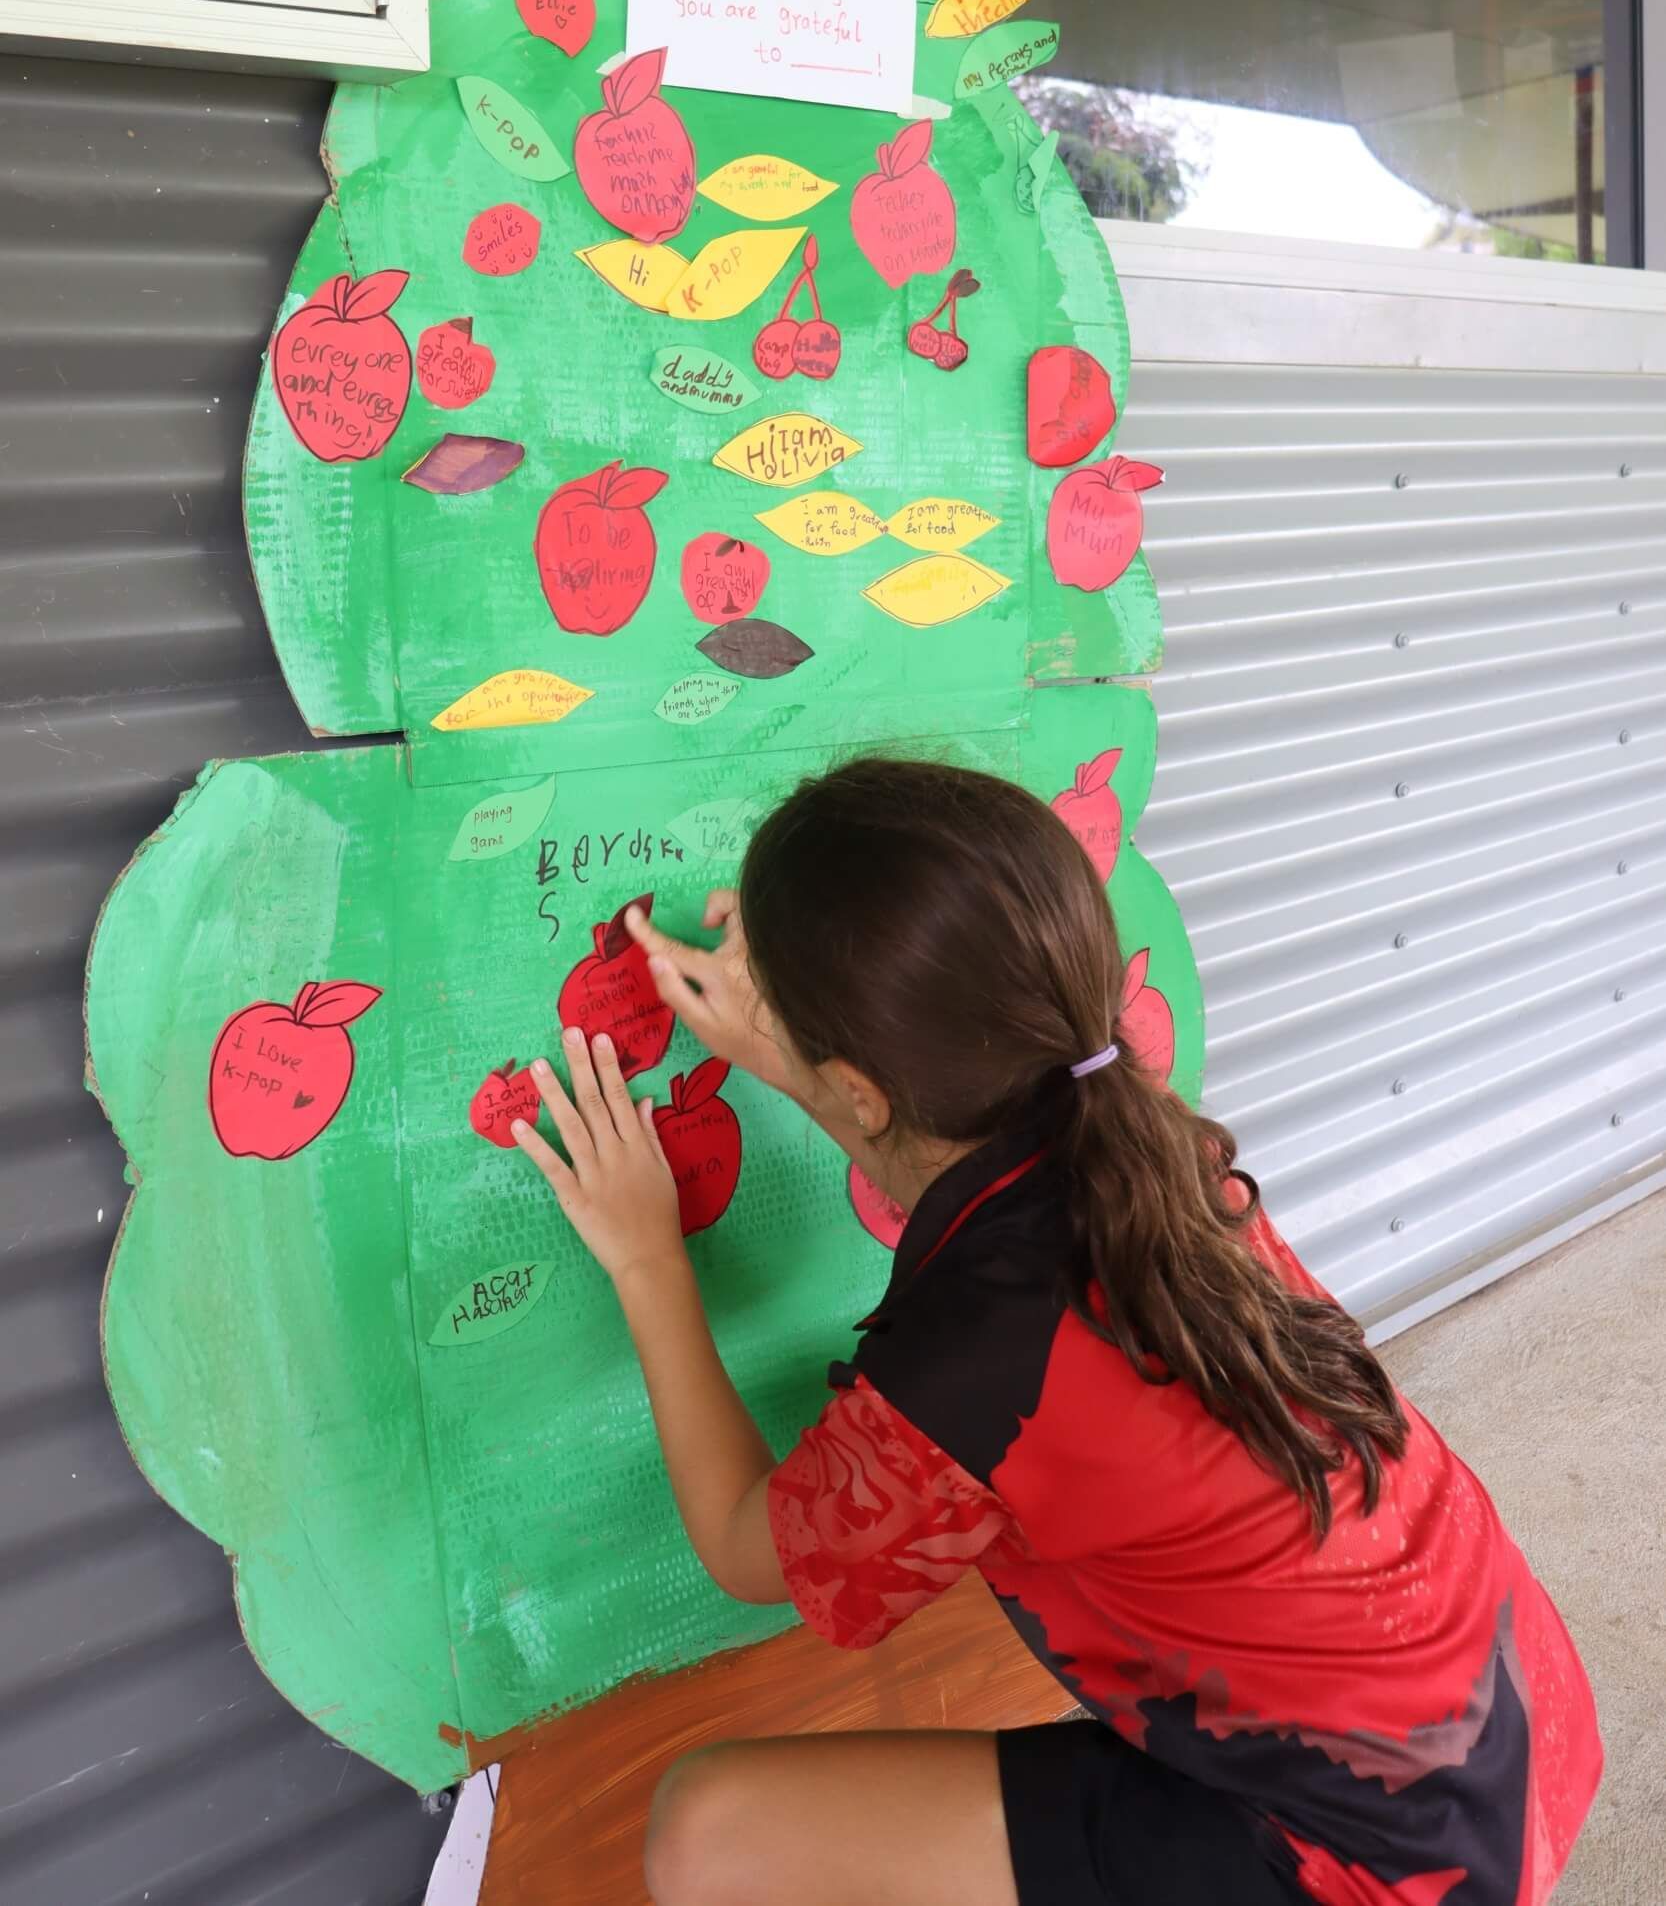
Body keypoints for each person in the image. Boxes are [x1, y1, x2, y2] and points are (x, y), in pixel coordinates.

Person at [511, 757, 1600, 1906]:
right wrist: (805, 1064)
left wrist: (644, 1256)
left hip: (1380, 1869)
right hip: (1505, 1719)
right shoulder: (1140, 1131)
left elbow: (746, 1548)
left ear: (864, 1088)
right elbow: (937, 1151)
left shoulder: (974, 1357)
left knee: (708, 1830)